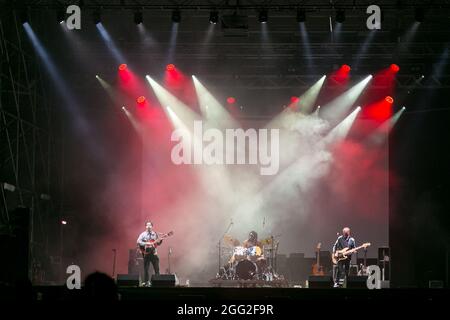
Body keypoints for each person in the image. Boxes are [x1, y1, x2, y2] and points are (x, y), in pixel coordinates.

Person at [137, 221, 161, 286]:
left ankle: (158, 282)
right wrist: (146, 243)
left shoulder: (155, 234)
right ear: (145, 226)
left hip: (153, 253)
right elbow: (138, 241)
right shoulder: (143, 234)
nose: (148, 226)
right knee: (146, 269)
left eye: (150, 225)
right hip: (146, 253)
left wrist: (160, 240)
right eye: (147, 225)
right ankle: (146, 282)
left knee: (157, 268)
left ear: (152, 226)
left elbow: (158, 243)